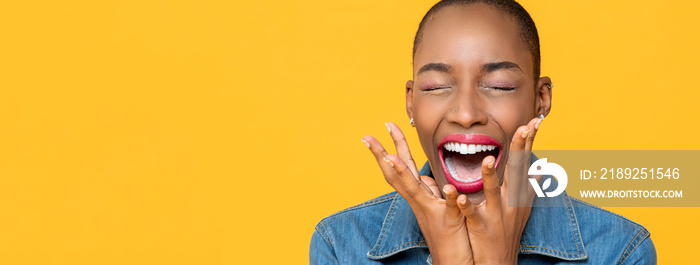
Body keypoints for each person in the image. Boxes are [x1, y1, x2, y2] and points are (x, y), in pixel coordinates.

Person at [310, 0, 656, 264]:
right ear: (411, 103)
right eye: (435, 87)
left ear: (541, 99)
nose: (466, 113)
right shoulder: (341, 245)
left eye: (500, 85)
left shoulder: (620, 251)